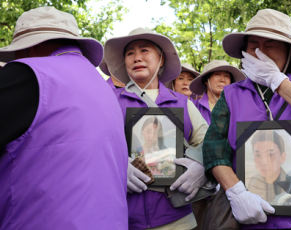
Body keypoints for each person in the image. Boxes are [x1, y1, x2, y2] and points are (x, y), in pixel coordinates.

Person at [203, 8, 291, 229]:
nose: (260, 51)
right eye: (253, 45)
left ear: (288, 52)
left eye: (270, 44)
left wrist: (276, 80)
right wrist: (236, 192)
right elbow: (215, 149)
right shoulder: (231, 95)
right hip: (250, 218)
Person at [0, 6, 128, 229]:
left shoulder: (27, 74)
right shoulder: (103, 87)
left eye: (18, 52)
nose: (16, 59)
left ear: (33, 47)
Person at [104, 27, 210, 230]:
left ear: (161, 59)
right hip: (122, 218)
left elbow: (209, 141)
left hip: (177, 219)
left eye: (144, 50)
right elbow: (93, 144)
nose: (137, 58)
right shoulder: (109, 101)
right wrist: (116, 165)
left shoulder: (183, 103)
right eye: (130, 53)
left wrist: (201, 166)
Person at [247, 130, 291, 206]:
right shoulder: (252, 183)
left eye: (270, 154)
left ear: (283, 157)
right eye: (258, 155)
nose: (264, 162)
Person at [189, 60, 245, 124]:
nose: (222, 80)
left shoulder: (238, 107)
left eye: (226, 76)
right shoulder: (193, 106)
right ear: (206, 81)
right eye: (217, 75)